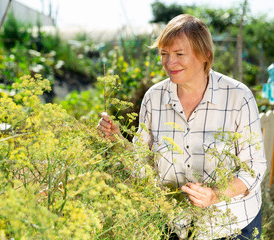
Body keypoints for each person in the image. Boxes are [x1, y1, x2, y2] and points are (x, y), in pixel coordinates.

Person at [97, 14, 267, 239]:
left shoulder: (238, 97)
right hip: (174, 224)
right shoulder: (154, 98)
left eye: (179, 54)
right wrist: (116, 139)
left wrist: (214, 195)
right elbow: (142, 163)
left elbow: (254, 168)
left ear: (205, 54)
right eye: (164, 54)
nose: (169, 63)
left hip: (231, 225)